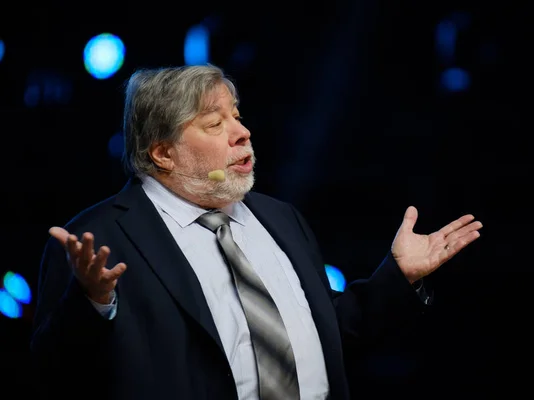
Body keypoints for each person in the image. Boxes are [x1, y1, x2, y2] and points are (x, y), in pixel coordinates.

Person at [30, 64, 482, 400]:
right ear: (163, 153)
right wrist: (93, 304)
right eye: (215, 124)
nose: (242, 133)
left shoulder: (279, 218)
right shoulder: (97, 238)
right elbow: (52, 375)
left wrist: (397, 278)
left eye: (238, 116)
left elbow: (324, 334)